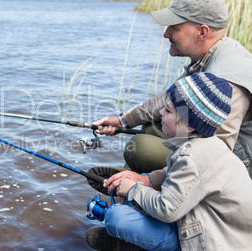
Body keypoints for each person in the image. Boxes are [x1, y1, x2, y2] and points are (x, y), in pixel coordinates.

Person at [93, 0, 252, 177]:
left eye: (174, 28)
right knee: (153, 125)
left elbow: (215, 157)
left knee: (139, 149)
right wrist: (123, 120)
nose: (166, 34)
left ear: (202, 32)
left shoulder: (226, 80)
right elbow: (171, 98)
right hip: (211, 143)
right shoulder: (211, 53)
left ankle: (134, 179)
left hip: (237, 158)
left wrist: (150, 182)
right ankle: (128, 175)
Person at [86, 73, 252, 250]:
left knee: (116, 217)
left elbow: (167, 209)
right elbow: (182, 177)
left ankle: (141, 245)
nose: (160, 112)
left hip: (215, 241)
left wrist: (134, 189)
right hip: (215, 224)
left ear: (189, 125)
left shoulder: (192, 157)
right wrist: (143, 180)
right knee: (136, 199)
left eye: (168, 110)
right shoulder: (210, 145)